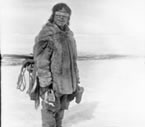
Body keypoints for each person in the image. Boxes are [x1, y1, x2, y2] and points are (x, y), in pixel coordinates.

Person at [33, 3, 84, 127]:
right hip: (52, 83)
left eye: (65, 16)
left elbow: (73, 61)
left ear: (68, 18)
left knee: (60, 108)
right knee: (50, 110)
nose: (62, 18)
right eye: (59, 15)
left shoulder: (69, 35)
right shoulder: (47, 33)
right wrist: (46, 85)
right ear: (53, 16)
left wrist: (76, 81)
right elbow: (41, 61)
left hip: (66, 81)